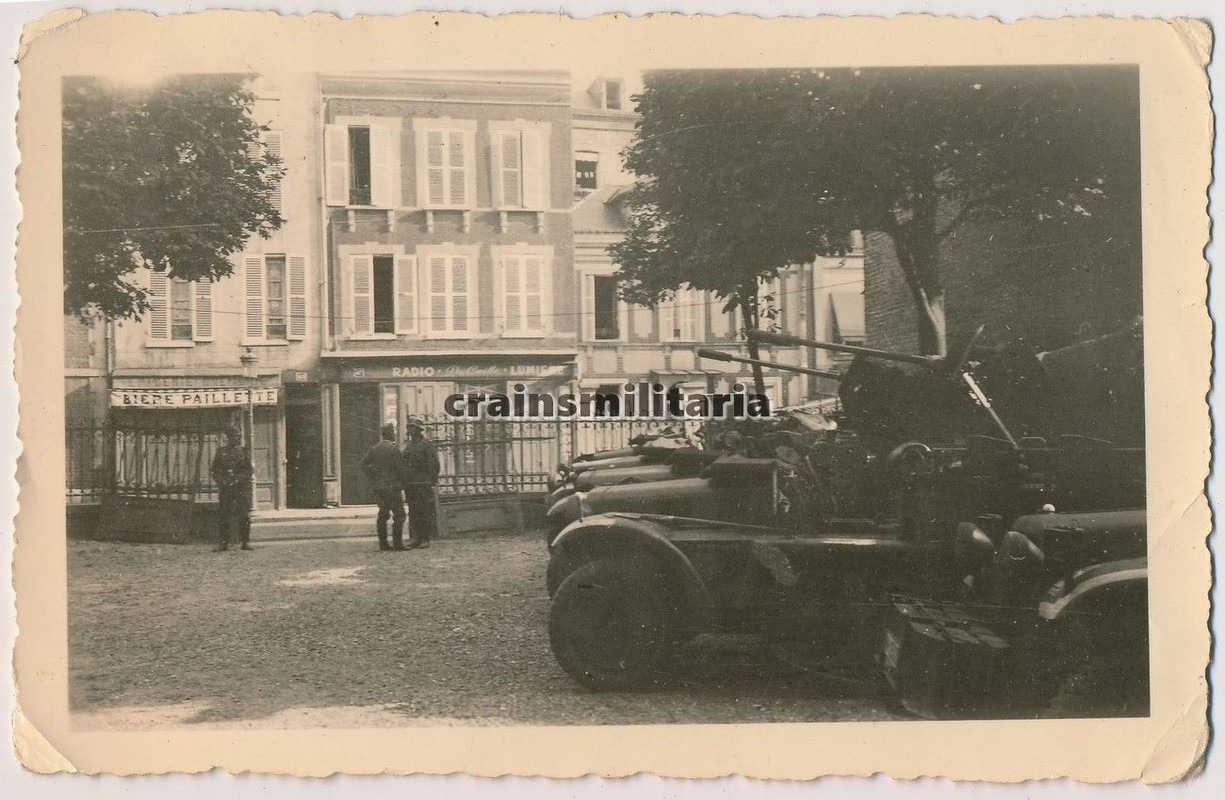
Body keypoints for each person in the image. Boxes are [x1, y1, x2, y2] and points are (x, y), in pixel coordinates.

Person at [360, 423, 408, 551]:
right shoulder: (394, 449)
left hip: (379, 487)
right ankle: (398, 543)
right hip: (393, 487)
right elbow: (401, 469)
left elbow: (362, 464)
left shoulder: (375, 448)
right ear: (391, 434)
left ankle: (383, 544)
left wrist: (374, 476)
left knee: (383, 514)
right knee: (399, 514)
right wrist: (403, 483)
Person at [211, 426, 254, 552]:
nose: (238, 438)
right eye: (236, 436)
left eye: (239, 436)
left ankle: (245, 542)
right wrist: (222, 481)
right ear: (229, 437)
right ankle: (224, 544)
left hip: (241, 489)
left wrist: (238, 480)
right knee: (224, 515)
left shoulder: (243, 452)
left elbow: (249, 470)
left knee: (244, 515)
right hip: (226, 489)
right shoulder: (221, 452)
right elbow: (215, 471)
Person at [401, 418, 440, 549]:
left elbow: (434, 464)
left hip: (423, 482)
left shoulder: (426, 445)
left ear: (418, 430)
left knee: (425, 511)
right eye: (409, 428)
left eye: (412, 428)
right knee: (414, 511)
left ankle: (425, 538)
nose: (410, 430)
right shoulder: (409, 445)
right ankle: (416, 538)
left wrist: (431, 481)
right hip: (411, 483)